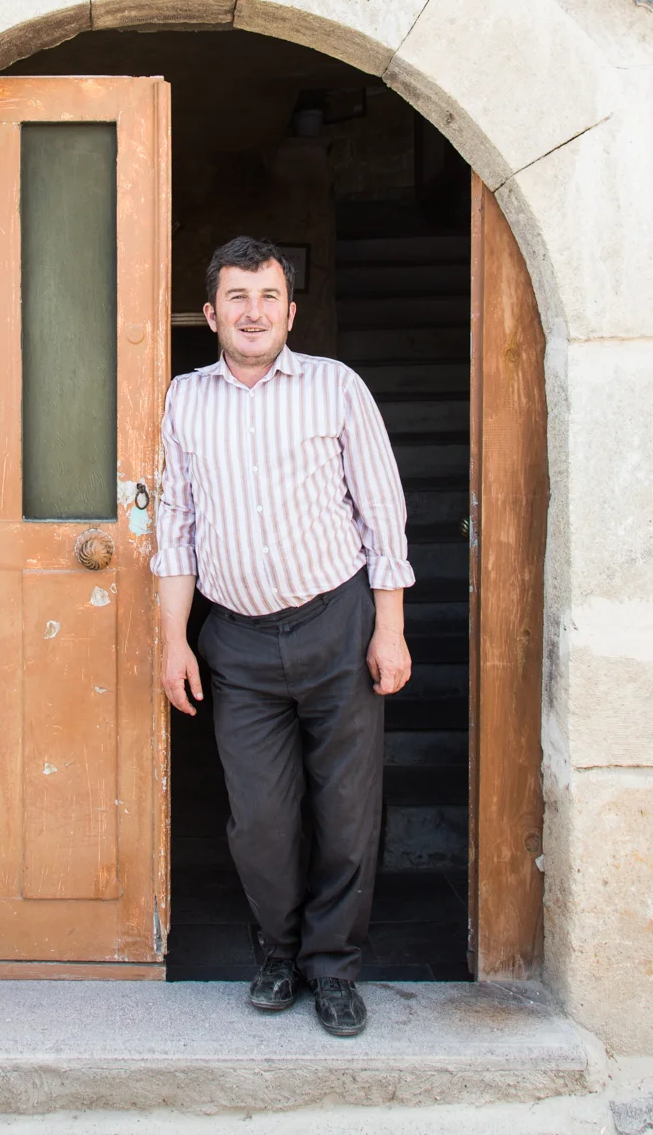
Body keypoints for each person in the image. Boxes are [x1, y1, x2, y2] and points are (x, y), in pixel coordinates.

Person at [152, 235, 414, 1038]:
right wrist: (174, 640)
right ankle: (277, 952)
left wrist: (390, 631)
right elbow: (175, 527)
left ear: (291, 311)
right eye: (237, 297)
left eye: (268, 297)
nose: (253, 312)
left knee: (345, 811)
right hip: (236, 641)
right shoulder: (184, 399)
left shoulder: (336, 389)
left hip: (338, 626)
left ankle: (334, 971)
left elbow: (383, 515)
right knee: (259, 819)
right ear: (210, 314)